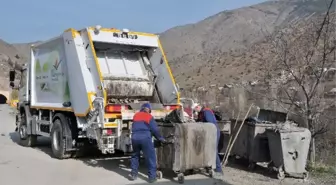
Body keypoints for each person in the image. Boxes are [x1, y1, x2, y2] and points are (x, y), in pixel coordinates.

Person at [130, 103, 166, 183]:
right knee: (151, 157)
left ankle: (133, 174)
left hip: (134, 138)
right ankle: (152, 177)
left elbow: (135, 126)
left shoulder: (136, 115)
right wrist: (160, 138)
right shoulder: (149, 116)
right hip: (145, 138)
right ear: (149, 110)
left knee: (135, 155)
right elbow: (154, 130)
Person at [194, 104, 224, 178]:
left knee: (214, 151)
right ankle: (209, 166)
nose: (195, 112)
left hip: (213, 132)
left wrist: (200, 123)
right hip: (209, 133)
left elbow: (210, 123)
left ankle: (219, 171)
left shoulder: (206, 111)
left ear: (198, 107)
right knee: (208, 150)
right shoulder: (202, 113)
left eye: (195, 110)